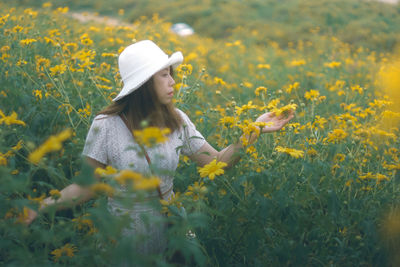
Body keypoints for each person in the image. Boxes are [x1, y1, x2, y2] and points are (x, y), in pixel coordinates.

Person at [25, 40, 294, 254]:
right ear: (143, 85)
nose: (172, 81)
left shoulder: (177, 120)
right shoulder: (106, 125)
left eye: (171, 74)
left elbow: (218, 162)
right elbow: (85, 186)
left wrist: (253, 129)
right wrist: (38, 207)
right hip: (125, 233)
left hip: (172, 225)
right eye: (164, 75)